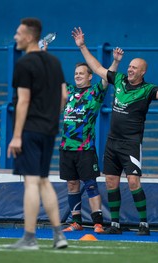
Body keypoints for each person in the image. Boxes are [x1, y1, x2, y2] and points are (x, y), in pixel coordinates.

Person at [72, 27, 158, 235]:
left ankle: (144, 223)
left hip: (131, 143)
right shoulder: (120, 80)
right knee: (110, 181)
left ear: (143, 72)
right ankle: (115, 224)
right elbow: (96, 68)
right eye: (130, 66)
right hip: (112, 142)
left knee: (133, 182)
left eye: (134, 68)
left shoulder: (148, 89)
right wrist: (82, 46)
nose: (130, 69)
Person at [7, 17, 68, 250]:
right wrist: (52, 118)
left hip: (30, 129)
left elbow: (23, 101)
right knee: (43, 181)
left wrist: (16, 135)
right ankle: (59, 236)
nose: (15, 36)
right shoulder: (55, 62)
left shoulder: (23, 64)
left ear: (30, 36)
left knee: (31, 182)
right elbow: (63, 96)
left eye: (18, 32)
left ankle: (30, 238)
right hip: (49, 129)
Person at [60, 48, 124, 233]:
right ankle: (76, 221)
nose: (78, 76)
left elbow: (107, 77)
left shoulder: (95, 92)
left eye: (81, 73)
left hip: (85, 149)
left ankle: (97, 223)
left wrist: (116, 62)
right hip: (66, 148)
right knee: (72, 184)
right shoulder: (69, 90)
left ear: (90, 77)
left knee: (90, 185)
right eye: (76, 73)